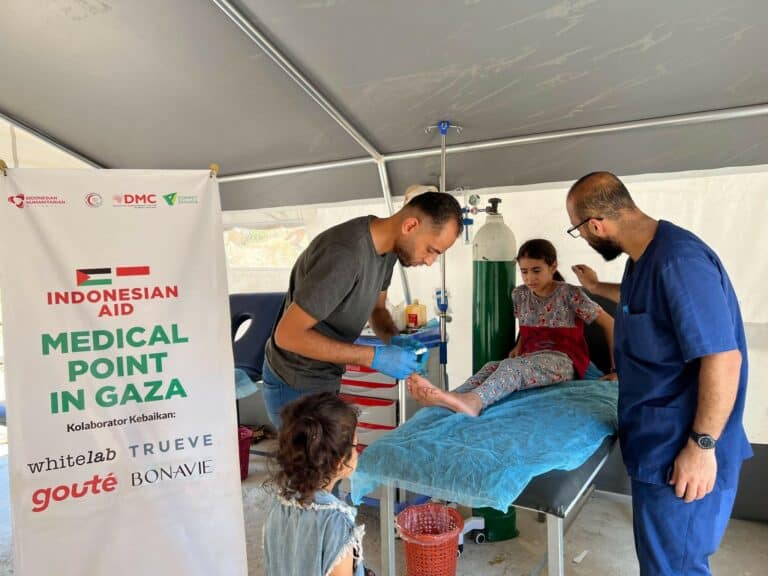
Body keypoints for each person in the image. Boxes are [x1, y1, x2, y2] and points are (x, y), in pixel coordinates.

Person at [565, 171, 751, 575]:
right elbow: (643, 301)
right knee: (661, 562)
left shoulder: (678, 261)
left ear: (596, 225)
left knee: (675, 567)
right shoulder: (643, 259)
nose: (585, 239)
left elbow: (724, 359)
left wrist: (701, 447)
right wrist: (597, 288)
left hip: (682, 453)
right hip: (657, 447)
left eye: (578, 231)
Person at [262, 191, 463, 427]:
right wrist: (373, 357)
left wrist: (395, 340)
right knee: (321, 452)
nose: (430, 262)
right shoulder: (346, 255)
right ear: (410, 226)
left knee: (338, 450)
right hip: (294, 381)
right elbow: (287, 335)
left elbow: (377, 310)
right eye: (431, 250)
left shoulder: (388, 251)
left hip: (325, 375)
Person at [407, 238, 615, 416]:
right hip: (531, 356)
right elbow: (528, 324)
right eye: (524, 271)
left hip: (563, 360)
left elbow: (611, 324)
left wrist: (616, 370)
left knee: (513, 368)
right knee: (491, 367)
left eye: (536, 270)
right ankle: (449, 398)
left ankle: (473, 402)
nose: (530, 278)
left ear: (553, 267)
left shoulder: (569, 294)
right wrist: (520, 345)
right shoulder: (520, 294)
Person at [264, 392, 373, 576]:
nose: (358, 453)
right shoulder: (336, 523)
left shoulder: (279, 504)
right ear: (339, 462)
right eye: (355, 447)